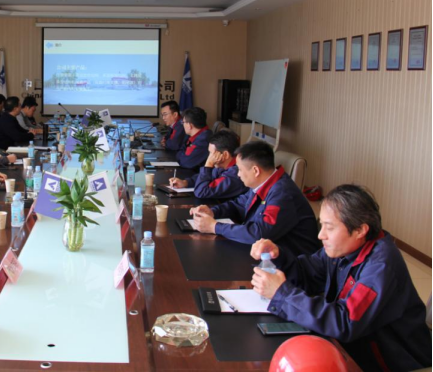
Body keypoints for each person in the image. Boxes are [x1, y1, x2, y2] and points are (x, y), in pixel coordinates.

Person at [250, 185, 432, 371]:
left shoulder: (380, 266)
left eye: (329, 228)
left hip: (391, 363)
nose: (321, 235)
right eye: (321, 225)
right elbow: (307, 273)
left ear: (360, 230)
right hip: (355, 348)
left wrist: (282, 294)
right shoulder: (344, 248)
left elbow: (345, 322)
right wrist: (278, 256)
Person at [191, 140, 320, 258]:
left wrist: (214, 227)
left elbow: (259, 233)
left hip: (293, 262)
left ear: (256, 171)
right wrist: (213, 211)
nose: (238, 174)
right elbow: (239, 204)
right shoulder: (263, 183)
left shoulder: (283, 193)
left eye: (240, 169)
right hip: (267, 252)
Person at [169, 130, 247, 199]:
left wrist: (208, 165)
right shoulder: (222, 166)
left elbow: (201, 191)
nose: (209, 157)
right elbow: (208, 177)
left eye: (211, 153)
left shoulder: (235, 175)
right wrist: (185, 182)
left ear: (225, 155)